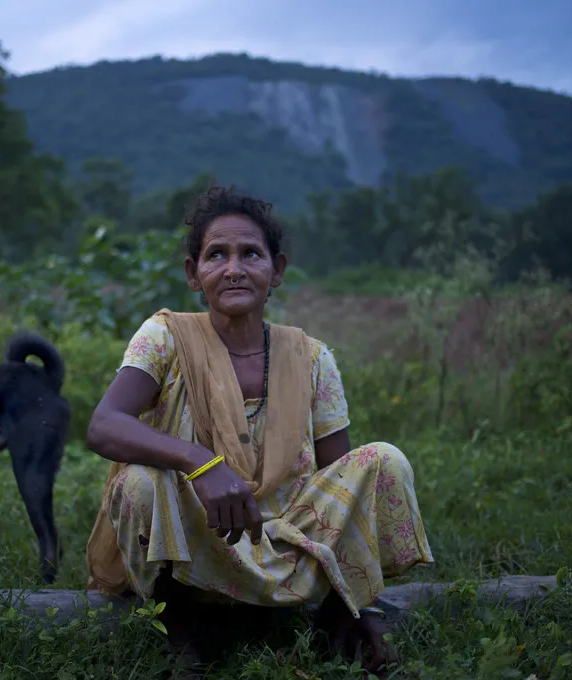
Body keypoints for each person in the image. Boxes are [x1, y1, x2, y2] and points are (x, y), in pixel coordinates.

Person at [84, 185, 434, 675]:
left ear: (277, 271)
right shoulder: (166, 336)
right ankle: (181, 626)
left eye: (251, 253)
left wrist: (362, 602)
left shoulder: (310, 356)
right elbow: (103, 426)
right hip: (200, 535)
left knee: (384, 461)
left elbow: (340, 481)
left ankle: (336, 618)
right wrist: (200, 463)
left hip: (289, 537)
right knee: (140, 484)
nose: (234, 268)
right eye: (216, 255)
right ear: (193, 274)